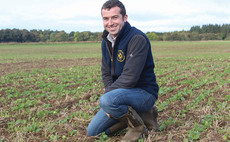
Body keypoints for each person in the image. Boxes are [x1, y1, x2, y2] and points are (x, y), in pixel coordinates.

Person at [87, 0, 159, 141]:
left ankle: (138, 126)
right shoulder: (106, 40)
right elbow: (106, 72)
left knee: (107, 101)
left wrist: (109, 100)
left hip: (144, 93)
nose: (110, 22)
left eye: (115, 17)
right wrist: (110, 99)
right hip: (120, 94)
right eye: (106, 19)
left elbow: (130, 78)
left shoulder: (136, 38)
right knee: (93, 131)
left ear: (124, 18)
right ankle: (144, 116)